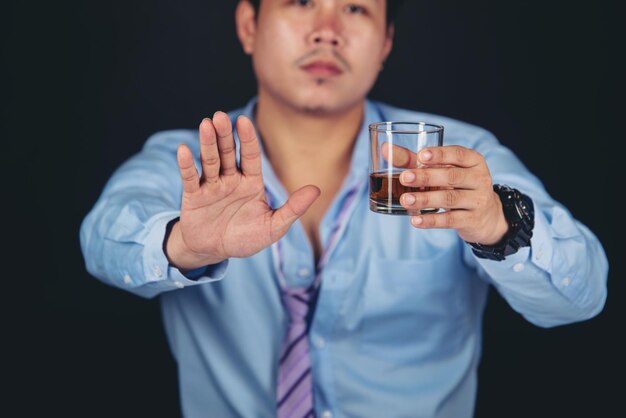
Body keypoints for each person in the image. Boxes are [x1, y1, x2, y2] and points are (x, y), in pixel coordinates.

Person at [79, 1, 608, 417]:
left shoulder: (461, 158)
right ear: (248, 24)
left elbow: (582, 295)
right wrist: (181, 246)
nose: (327, 29)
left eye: (355, 8)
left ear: (386, 42)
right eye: (302, 1)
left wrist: (498, 226)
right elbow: (102, 238)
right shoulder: (192, 161)